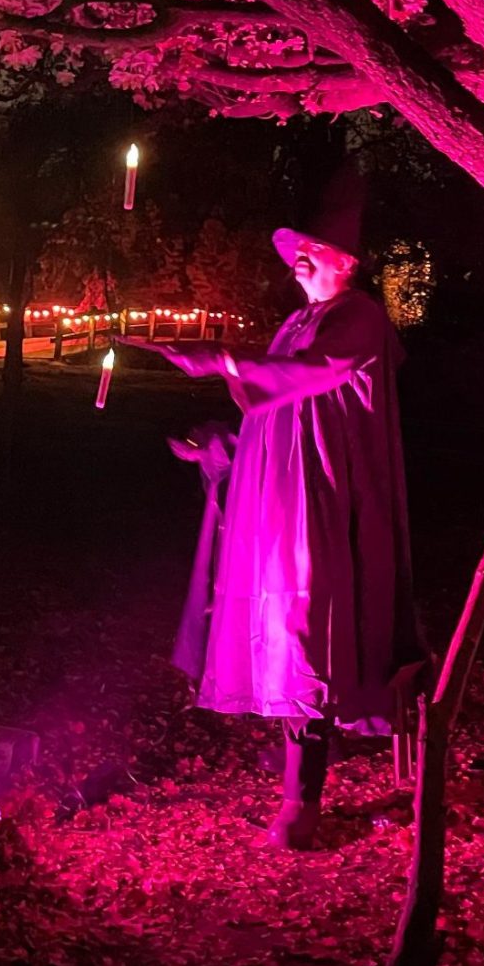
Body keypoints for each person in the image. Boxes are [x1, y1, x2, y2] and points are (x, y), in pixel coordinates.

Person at [121, 213, 427, 850]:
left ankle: (301, 799)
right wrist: (219, 442)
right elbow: (268, 404)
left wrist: (222, 358)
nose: (300, 257)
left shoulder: (360, 316)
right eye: (297, 249)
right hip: (281, 498)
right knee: (280, 629)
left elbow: (310, 374)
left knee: (307, 632)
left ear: (347, 261)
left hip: (325, 496)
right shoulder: (295, 322)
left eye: (314, 248)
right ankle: (297, 776)